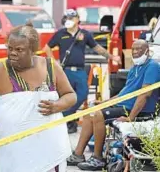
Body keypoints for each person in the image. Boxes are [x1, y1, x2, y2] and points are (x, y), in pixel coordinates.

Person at [0, 22, 77, 172]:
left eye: (19, 50)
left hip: (50, 150)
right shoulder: (0, 71)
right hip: (15, 155)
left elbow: (70, 95)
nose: (12, 53)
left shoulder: (50, 66)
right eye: (10, 48)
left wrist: (57, 106)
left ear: (33, 50)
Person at [66, 39, 160, 171]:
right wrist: (104, 102)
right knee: (90, 112)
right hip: (124, 105)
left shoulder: (152, 67)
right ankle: (78, 154)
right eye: (133, 49)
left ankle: (98, 159)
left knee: (97, 114)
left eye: (139, 49)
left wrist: (131, 118)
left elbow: (144, 95)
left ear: (147, 51)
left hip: (134, 110)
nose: (135, 52)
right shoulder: (134, 68)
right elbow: (123, 94)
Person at [43, 9, 121, 134]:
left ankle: (65, 116)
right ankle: (70, 122)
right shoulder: (61, 33)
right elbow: (47, 48)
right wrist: (54, 63)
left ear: (77, 19)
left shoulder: (85, 34)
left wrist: (112, 57)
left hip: (79, 71)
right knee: (65, 96)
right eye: (67, 18)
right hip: (65, 71)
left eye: (71, 18)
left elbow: (97, 48)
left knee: (82, 94)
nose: (69, 20)